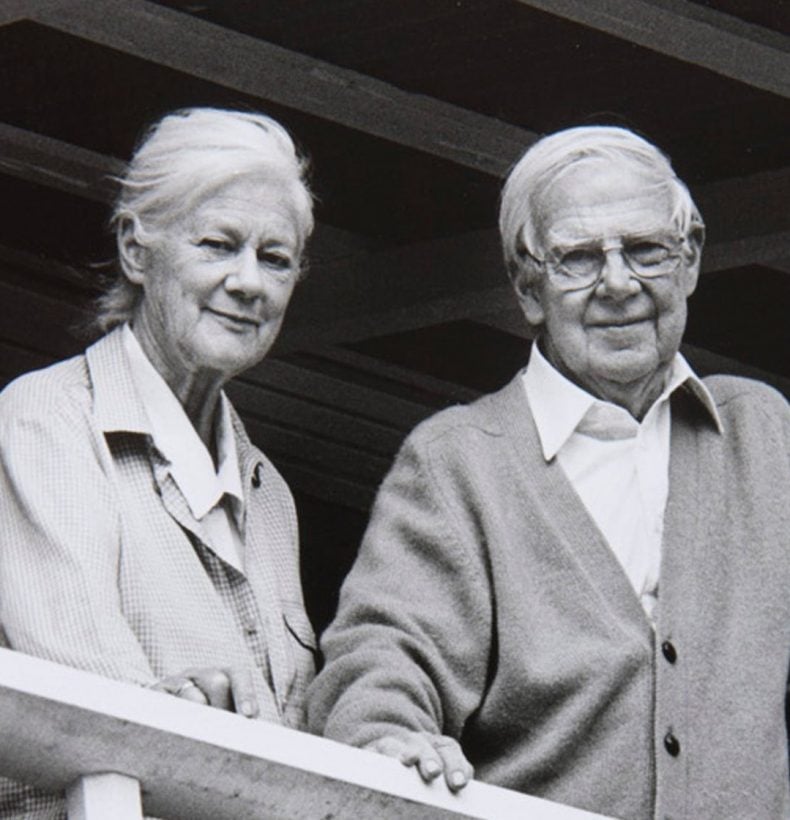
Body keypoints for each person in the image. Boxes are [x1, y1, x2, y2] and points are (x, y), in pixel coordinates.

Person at [307, 126, 790, 819]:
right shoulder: (460, 462)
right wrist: (389, 737)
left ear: (690, 261)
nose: (619, 284)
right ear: (527, 286)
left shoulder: (764, 436)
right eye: (579, 259)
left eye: (647, 251)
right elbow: (384, 657)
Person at [0, 107, 317, 816]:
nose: (248, 283)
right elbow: (94, 710)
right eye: (218, 245)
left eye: (275, 258)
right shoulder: (47, 423)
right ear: (137, 250)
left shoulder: (270, 496)